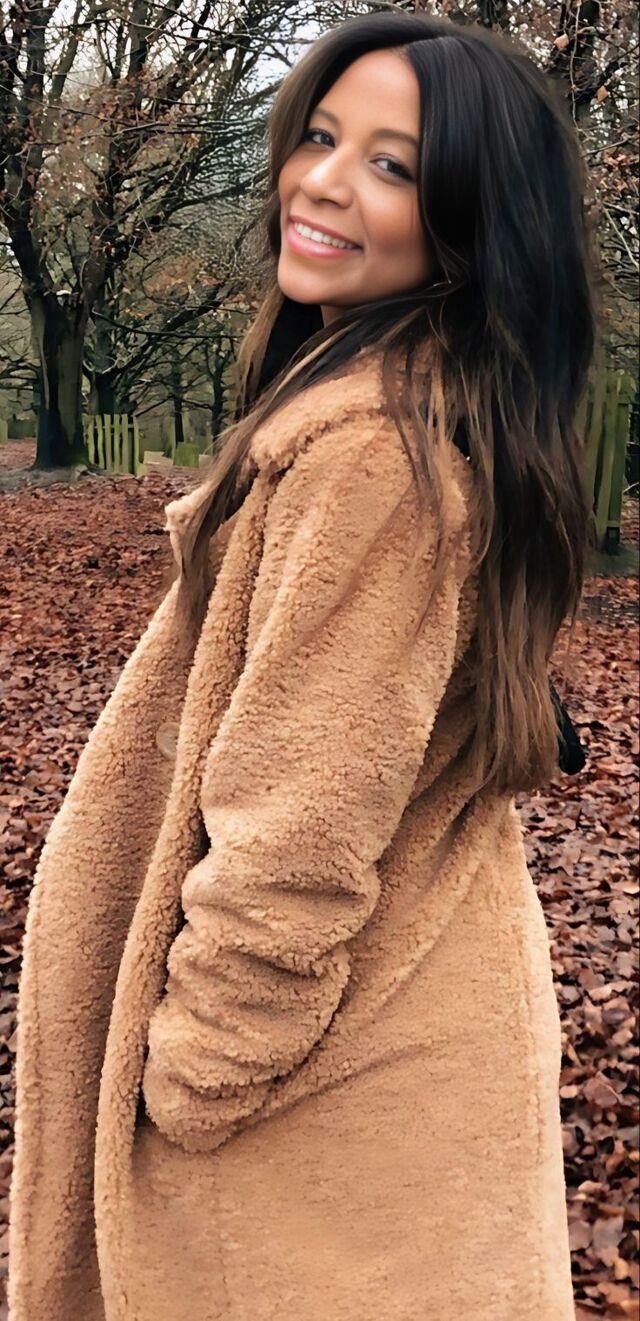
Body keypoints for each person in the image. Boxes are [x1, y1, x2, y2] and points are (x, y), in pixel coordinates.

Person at [8, 11, 598, 1321]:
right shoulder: (414, 416)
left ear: (471, 222)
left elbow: (299, 831)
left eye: (392, 165)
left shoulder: (373, 458)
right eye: (320, 137)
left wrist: (196, 1082)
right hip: (384, 1067)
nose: (322, 181)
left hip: (313, 1121)